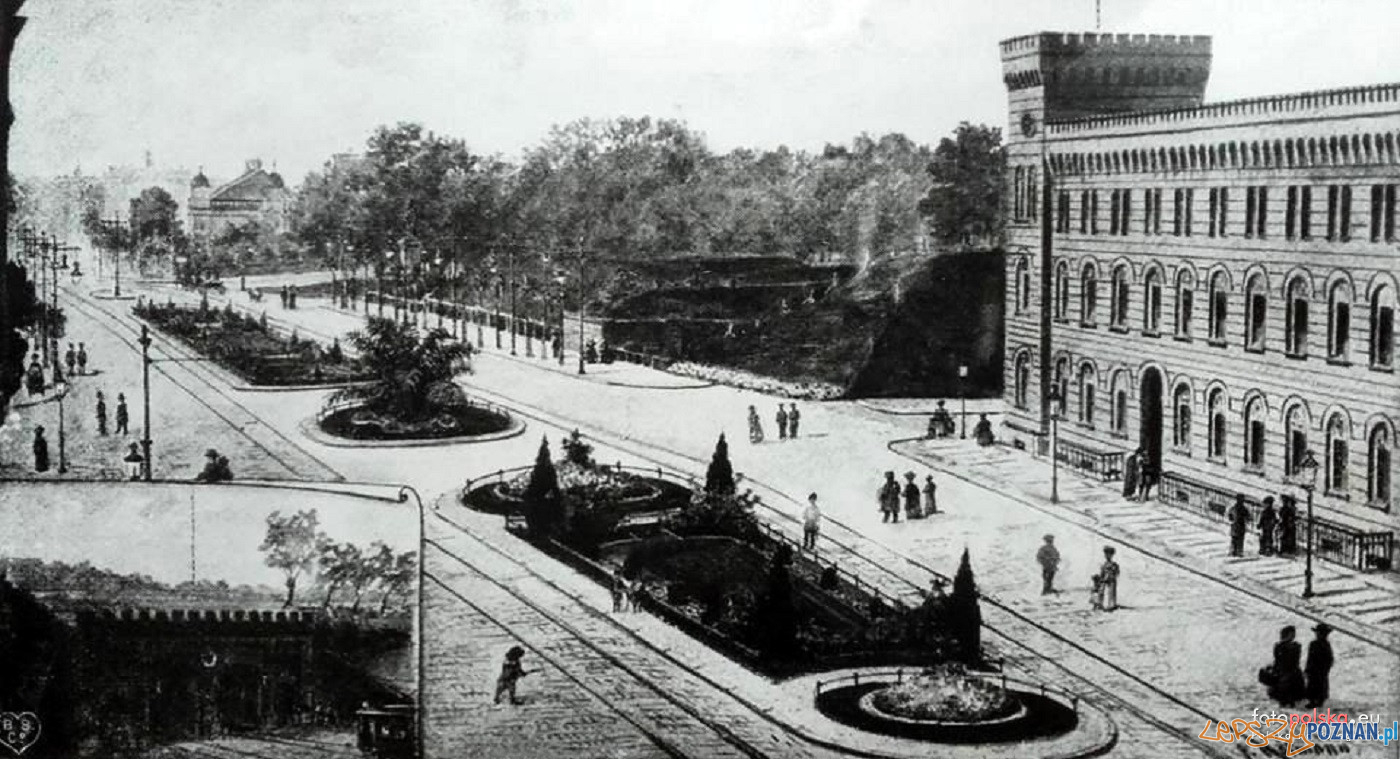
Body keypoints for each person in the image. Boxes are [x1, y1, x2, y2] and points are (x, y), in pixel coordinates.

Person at [1267, 625, 1306, 707]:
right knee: (1286, 693)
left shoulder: (1283, 646)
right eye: (1292, 634)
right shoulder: (1292, 646)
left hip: (1287, 673)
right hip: (1288, 673)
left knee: (1286, 693)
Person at [1304, 624, 1334, 709]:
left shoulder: (1315, 644)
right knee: (1319, 684)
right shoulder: (1325, 644)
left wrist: (1308, 668)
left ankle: (1314, 700)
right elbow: (1330, 658)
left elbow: (1310, 658)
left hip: (1317, 669)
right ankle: (1317, 700)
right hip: (1319, 669)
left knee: (1315, 684)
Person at [1098, 546, 1120, 611]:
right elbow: (1102, 573)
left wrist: (1112, 575)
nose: (1107, 556)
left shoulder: (1114, 564)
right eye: (1106, 554)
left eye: (1109, 554)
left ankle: (1111, 605)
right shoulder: (1104, 564)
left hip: (1111, 580)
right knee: (1101, 591)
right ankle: (1100, 604)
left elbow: (1117, 572)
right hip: (1104, 580)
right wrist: (1101, 579)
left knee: (1111, 592)